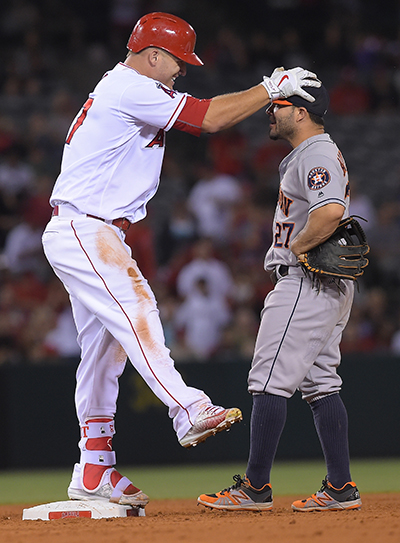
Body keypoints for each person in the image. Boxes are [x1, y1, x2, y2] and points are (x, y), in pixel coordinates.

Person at [41, 11, 320, 509]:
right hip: (87, 226)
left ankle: (94, 468)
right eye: (177, 61)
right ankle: (188, 407)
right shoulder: (130, 86)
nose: (181, 70)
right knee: (139, 311)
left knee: (104, 353)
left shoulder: (124, 85)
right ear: (152, 55)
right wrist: (269, 86)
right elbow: (210, 118)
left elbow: (208, 111)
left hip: (91, 227)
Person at [198, 81, 363, 512]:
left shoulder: (317, 154)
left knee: (268, 379)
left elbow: (330, 211)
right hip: (326, 287)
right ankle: (341, 488)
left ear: (303, 112)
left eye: (280, 105)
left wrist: (301, 249)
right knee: (322, 383)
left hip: (306, 282)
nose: (270, 112)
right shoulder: (313, 154)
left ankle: (254, 488)